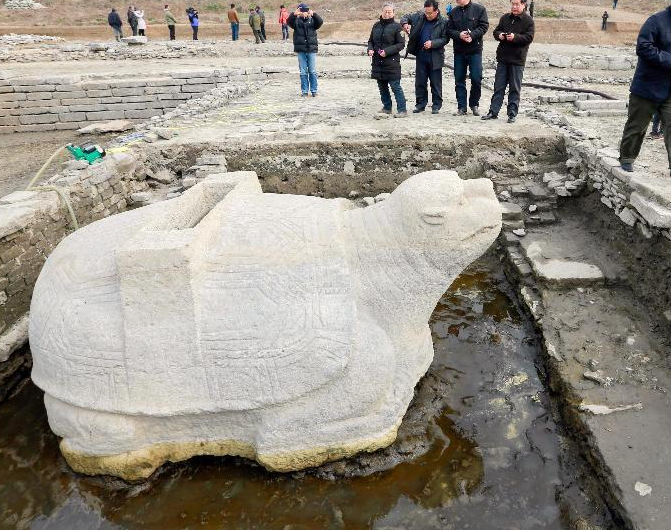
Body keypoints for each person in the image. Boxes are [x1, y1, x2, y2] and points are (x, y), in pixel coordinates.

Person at [619, 5, 671, 174]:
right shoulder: (655, 21)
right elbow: (643, 47)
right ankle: (627, 158)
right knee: (637, 126)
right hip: (648, 86)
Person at [481, 0, 534, 123]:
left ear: (523, 5)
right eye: (513, 4)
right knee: (498, 87)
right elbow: (496, 31)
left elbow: (529, 37)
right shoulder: (505, 18)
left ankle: (512, 114)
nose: (514, 7)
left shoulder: (528, 21)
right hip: (503, 58)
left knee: (514, 88)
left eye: (517, 4)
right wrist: (500, 35)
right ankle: (493, 112)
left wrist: (515, 37)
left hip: (517, 59)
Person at [400, 1, 449, 114]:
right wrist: (405, 24)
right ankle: (420, 104)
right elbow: (405, 17)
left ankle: (436, 105)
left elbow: (445, 39)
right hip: (421, 55)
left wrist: (433, 43)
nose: (427, 15)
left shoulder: (444, 22)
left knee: (436, 82)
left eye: (430, 13)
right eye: (426, 12)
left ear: (436, 11)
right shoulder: (420, 16)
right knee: (420, 82)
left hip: (435, 56)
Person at [447, 0, 489, 116]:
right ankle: (461, 107)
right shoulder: (453, 12)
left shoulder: (480, 9)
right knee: (459, 79)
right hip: (459, 51)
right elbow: (449, 30)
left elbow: (484, 26)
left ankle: (474, 104)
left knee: (476, 78)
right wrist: (459, 35)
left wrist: (473, 35)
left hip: (474, 51)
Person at [368, 3, 407, 117]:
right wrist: (370, 49)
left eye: (390, 11)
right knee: (382, 86)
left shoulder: (398, 27)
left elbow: (401, 44)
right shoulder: (376, 26)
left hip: (392, 62)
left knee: (395, 86)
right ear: (382, 12)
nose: (387, 13)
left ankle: (402, 110)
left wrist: (387, 51)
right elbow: (371, 41)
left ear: (393, 13)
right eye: (385, 11)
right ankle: (387, 107)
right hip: (377, 62)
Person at [287, 4, 323, 97]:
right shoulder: (296, 22)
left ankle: (314, 91)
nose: (303, 12)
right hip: (301, 50)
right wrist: (294, 14)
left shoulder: (313, 21)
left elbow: (320, 22)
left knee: (312, 71)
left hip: (311, 49)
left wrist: (314, 14)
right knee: (303, 72)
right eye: (301, 10)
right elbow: (288, 21)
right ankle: (304, 91)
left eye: (305, 10)